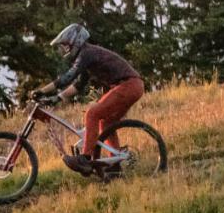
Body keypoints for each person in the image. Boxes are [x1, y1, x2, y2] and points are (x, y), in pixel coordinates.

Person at [29, 23, 144, 175]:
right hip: (130, 86)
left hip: (128, 85)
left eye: (65, 45)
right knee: (106, 122)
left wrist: (42, 91)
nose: (64, 49)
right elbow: (78, 86)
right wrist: (56, 98)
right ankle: (115, 165)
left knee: (92, 114)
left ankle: (85, 158)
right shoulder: (88, 55)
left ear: (75, 41)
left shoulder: (86, 53)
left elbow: (67, 77)